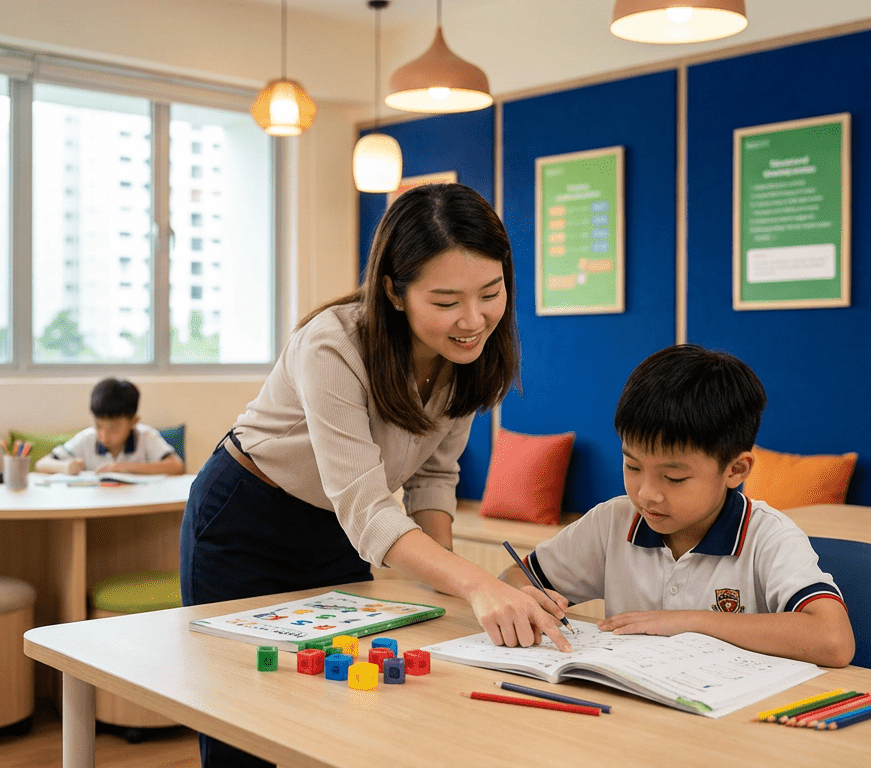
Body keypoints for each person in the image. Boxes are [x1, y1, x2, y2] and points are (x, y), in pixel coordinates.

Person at [180, 183, 570, 768]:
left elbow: (433, 475)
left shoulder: (468, 355)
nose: (473, 320)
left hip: (334, 531)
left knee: (342, 714)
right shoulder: (332, 345)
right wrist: (477, 584)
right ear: (393, 290)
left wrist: (460, 586)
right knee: (244, 724)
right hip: (245, 520)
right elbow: (366, 508)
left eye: (491, 293)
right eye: (446, 301)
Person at [501, 344, 856, 667]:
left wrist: (689, 621)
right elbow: (514, 577)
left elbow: (834, 641)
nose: (647, 494)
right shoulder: (612, 522)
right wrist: (525, 598)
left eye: (673, 478)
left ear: (735, 470)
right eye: (633, 467)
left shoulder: (767, 536)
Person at [35, 377, 185, 476]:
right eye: (98, 426)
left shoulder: (145, 436)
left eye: (113, 429)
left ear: (134, 421)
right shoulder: (87, 439)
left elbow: (177, 466)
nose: (104, 437)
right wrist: (66, 467)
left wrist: (125, 467)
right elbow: (41, 464)